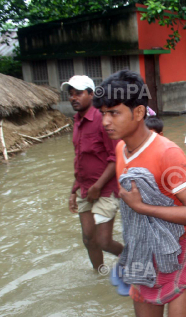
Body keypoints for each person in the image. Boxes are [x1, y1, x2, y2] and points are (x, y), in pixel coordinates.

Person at [95, 70, 186, 317]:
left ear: (137, 112)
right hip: (142, 254)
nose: (105, 121)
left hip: (176, 253)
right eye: (102, 113)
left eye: (113, 113)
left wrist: (143, 207)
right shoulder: (122, 149)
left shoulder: (167, 154)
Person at [63, 75, 123, 271]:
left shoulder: (103, 120)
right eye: (71, 94)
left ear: (91, 94)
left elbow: (116, 156)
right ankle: (101, 274)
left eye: (78, 93)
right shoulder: (78, 121)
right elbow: (79, 159)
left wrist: (98, 186)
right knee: (88, 239)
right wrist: (73, 190)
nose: (73, 98)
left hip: (106, 189)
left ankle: (133, 261)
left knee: (104, 241)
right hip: (85, 189)